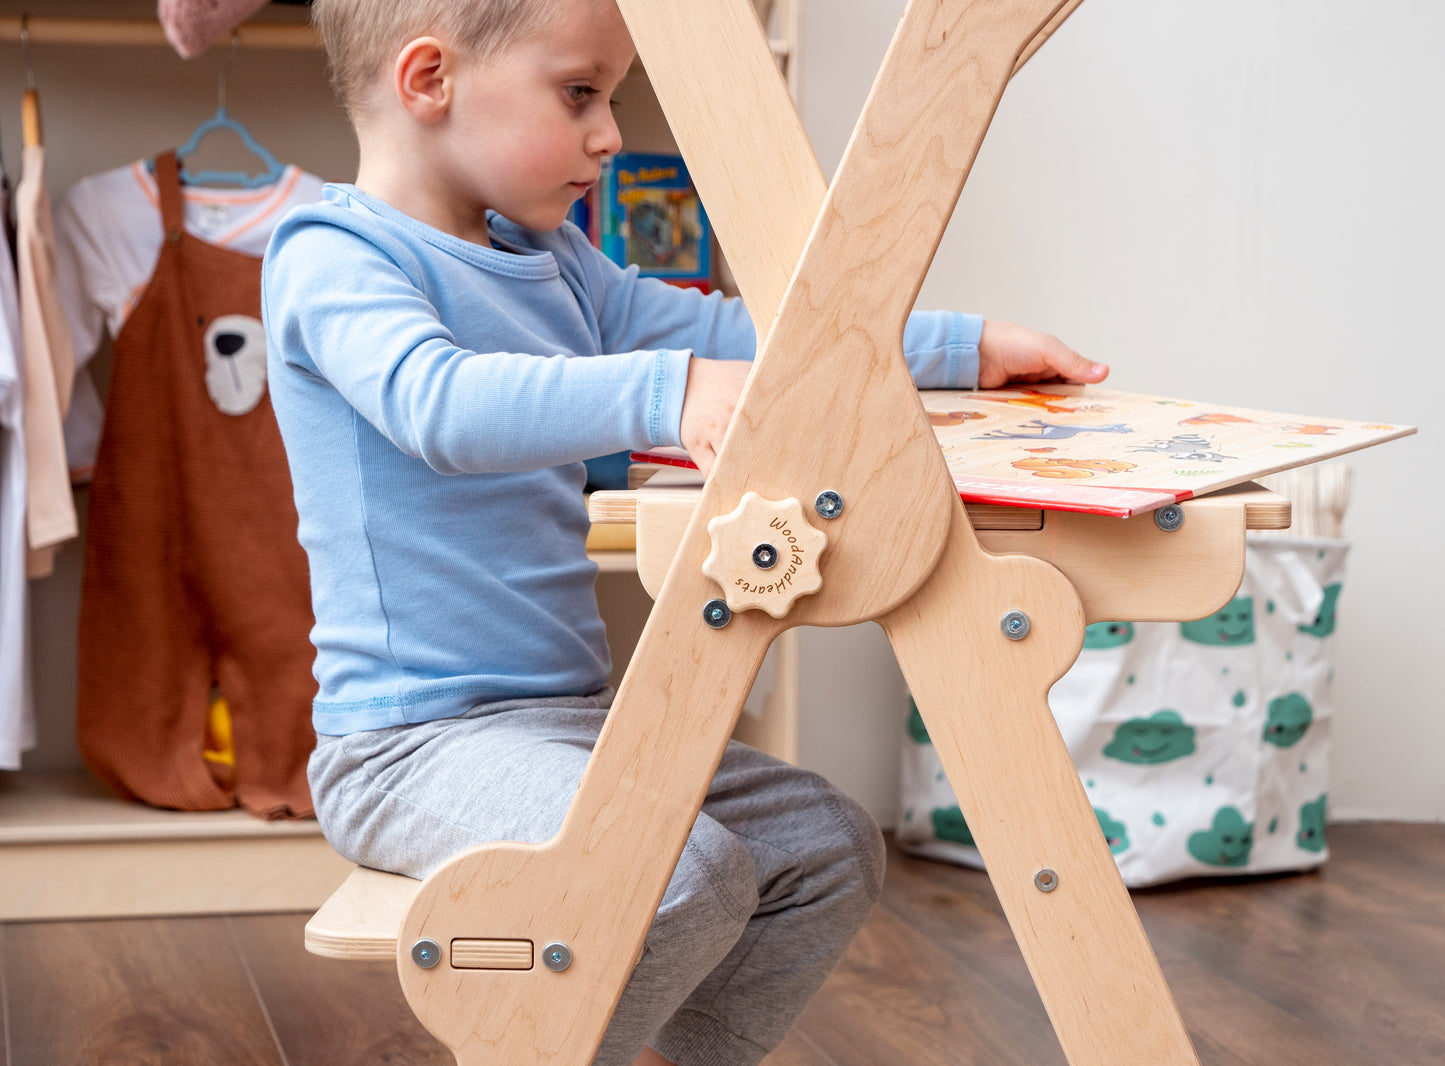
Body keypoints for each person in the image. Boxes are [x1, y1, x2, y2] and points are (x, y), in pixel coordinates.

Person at [263, 1, 1108, 1063]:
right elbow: (440, 405)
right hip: (410, 748)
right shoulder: (333, 255)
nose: (610, 132)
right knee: (681, 874)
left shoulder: (556, 262)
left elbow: (746, 332)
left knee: (825, 847)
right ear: (428, 80)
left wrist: (961, 344)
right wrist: (667, 393)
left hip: (570, 723)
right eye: (579, 93)